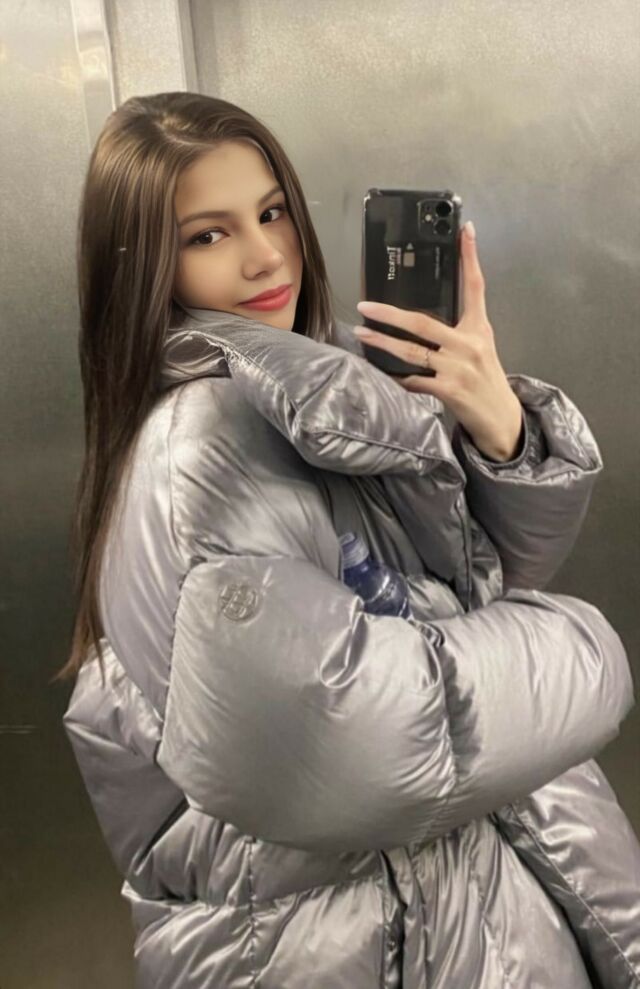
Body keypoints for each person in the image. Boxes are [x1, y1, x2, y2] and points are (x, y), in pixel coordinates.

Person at [55, 92, 640, 989]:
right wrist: (585, 650)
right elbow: (355, 742)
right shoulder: (205, 443)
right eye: (208, 235)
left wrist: (500, 433)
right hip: (357, 943)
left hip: (445, 910)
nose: (264, 255)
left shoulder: (313, 391)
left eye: (271, 212)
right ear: (144, 267)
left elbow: (472, 581)